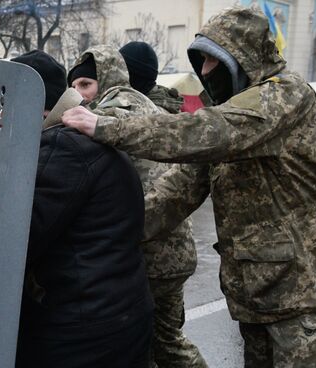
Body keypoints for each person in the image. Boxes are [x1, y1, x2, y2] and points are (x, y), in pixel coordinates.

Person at [62, 6, 316, 368]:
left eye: (214, 60)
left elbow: (203, 132)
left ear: (241, 56)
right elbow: (175, 195)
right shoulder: (230, 121)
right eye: (203, 61)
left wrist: (104, 127)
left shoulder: (284, 98)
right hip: (258, 295)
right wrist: (103, 237)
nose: (206, 72)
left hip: (302, 295)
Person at [12, 50, 153, 368]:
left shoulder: (64, 148)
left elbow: (22, 239)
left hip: (86, 332)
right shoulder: (84, 134)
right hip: (115, 315)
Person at [118, 41, 207, 368]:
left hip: (152, 256)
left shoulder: (131, 120)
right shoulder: (171, 113)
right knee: (166, 341)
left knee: (149, 343)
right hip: (177, 251)